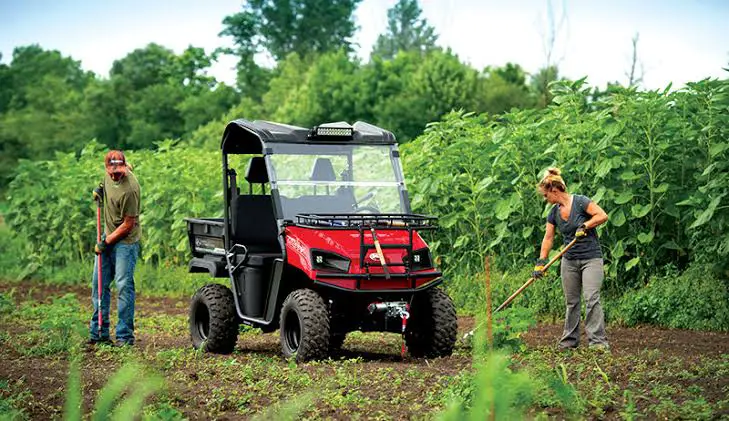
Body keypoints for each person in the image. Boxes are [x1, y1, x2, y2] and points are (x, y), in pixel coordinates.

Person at [534, 167, 609, 349]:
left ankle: (598, 343)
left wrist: (586, 225)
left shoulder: (581, 202)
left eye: (546, 195)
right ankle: (569, 342)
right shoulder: (554, 213)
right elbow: (548, 237)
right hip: (569, 261)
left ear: (554, 190)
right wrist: (541, 261)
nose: (546, 199)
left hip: (591, 258)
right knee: (572, 302)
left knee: (591, 298)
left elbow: (602, 215)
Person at [88, 150, 141, 347]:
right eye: (111, 171)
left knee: (123, 285)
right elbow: (108, 179)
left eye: (118, 172)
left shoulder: (131, 190)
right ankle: (99, 333)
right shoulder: (109, 174)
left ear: (124, 169)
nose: (114, 175)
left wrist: (106, 242)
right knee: (99, 284)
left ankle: (124, 336)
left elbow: (128, 224)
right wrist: (100, 188)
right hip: (107, 235)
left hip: (125, 242)